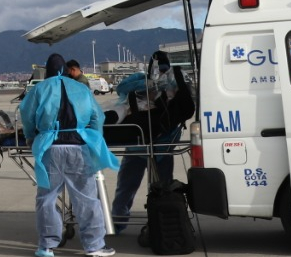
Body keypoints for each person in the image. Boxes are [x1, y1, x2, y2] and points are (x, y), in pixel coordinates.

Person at [19, 54, 119, 257]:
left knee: (46, 198)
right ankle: (94, 246)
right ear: (65, 69)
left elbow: (27, 116)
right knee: (86, 198)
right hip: (77, 147)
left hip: (49, 148)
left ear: (47, 71)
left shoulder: (39, 89)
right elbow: (96, 117)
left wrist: (31, 138)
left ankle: (46, 246)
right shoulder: (81, 88)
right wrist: (94, 138)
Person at [110, 51, 194, 233]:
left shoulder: (171, 82)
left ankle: (158, 221)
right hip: (149, 145)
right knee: (136, 187)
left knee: (153, 188)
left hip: (154, 144)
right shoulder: (150, 80)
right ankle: (123, 222)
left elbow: (186, 104)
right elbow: (122, 89)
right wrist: (151, 87)